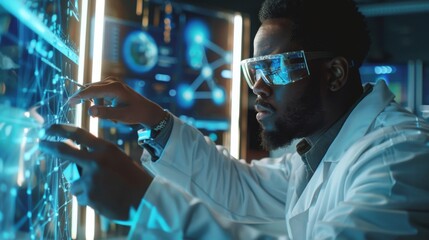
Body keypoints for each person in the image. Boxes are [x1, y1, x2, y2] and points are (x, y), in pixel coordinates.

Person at [40, 0, 429, 238]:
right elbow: (241, 188)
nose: (257, 87)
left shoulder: (399, 161)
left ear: (335, 74)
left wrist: (143, 201)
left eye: (275, 69)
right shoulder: (316, 152)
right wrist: (154, 123)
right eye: (253, 71)